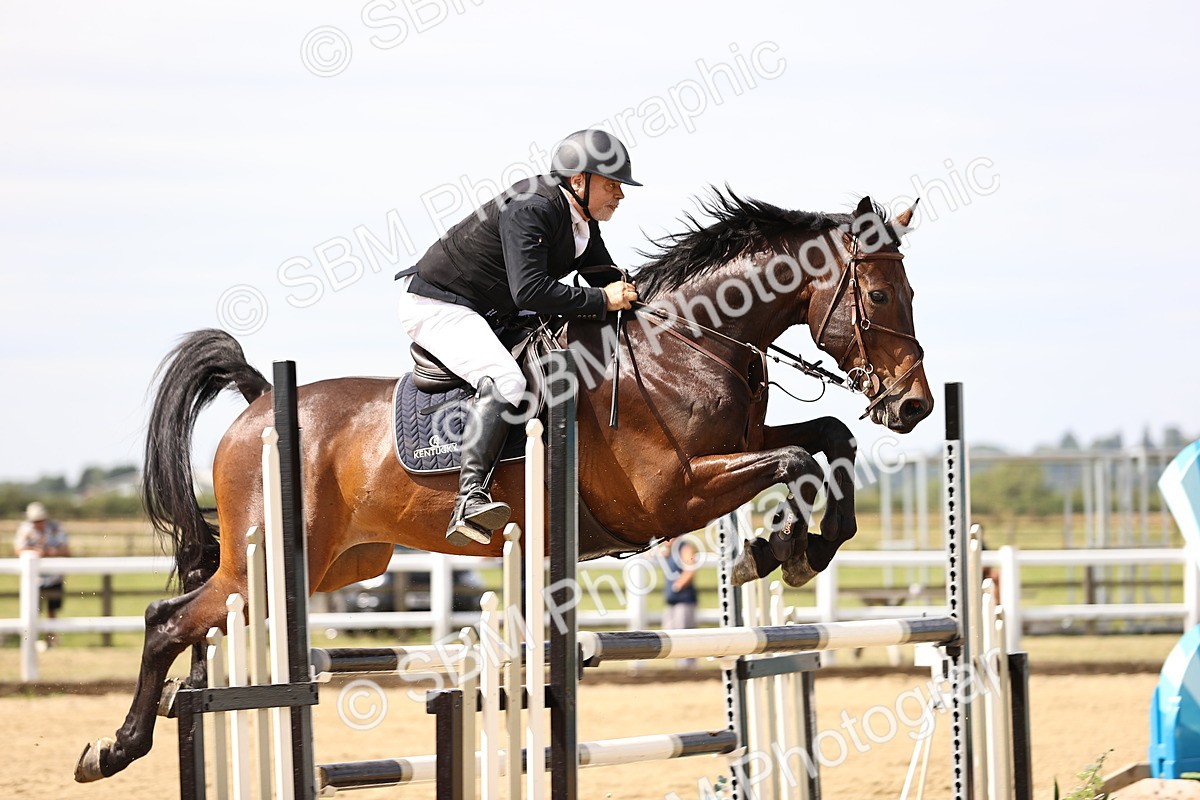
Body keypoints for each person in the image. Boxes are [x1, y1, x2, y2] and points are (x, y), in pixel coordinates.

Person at [396, 129, 641, 547]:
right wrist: (603, 299)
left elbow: (606, 277)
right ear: (578, 180)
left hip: (489, 306)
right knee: (507, 379)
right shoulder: (532, 206)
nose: (620, 195)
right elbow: (530, 291)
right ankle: (469, 498)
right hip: (441, 304)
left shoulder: (580, 222)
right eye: (612, 184)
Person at [13, 502, 70, 647]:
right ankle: (31, 640)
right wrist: (34, 552)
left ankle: (50, 640)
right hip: (33, 579)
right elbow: (18, 549)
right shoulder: (25, 529)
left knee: (52, 609)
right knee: (32, 610)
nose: (38, 523)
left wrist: (50, 553)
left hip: (54, 576)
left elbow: (66, 549)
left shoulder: (56, 528)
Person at [659, 537, 700, 668]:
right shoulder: (670, 551)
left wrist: (678, 584)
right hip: (672, 600)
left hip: (684, 599)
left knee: (684, 633)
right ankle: (680, 665)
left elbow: (690, 569)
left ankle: (688, 666)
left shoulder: (685, 548)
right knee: (669, 632)